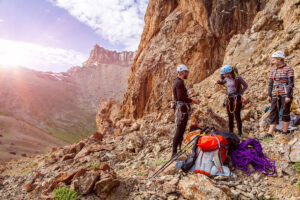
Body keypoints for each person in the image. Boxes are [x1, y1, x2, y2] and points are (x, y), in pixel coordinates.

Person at [263, 51, 294, 138]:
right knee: (273, 112)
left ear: (279, 59)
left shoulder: (289, 69)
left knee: (285, 112)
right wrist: (269, 95)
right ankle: (269, 133)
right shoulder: (273, 71)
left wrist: (288, 96)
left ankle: (284, 132)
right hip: (275, 94)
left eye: (274, 60)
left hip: (285, 94)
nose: (272, 62)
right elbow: (270, 84)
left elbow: (291, 84)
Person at [172, 64, 200, 158]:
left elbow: (182, 95)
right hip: (182, 109)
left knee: (182, 129)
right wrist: (193, 101)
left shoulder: (179, 81)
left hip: (181, 108)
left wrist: (189, 93)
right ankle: (174, 153)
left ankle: (179, 149)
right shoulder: (179, 82)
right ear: (183, 72)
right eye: (186, 72)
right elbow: (181, 97)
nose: (187, 73)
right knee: (179, 130)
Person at [216, 65, 248, 136]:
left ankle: (240, 133)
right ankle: (231, 133)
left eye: (224, 73)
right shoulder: (226, 78)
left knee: (237, 116)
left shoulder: (237, 78)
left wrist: (240, 93)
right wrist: (219, 82)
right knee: (230, 116)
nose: (223, 75)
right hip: (229, 98)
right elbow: (223, 82)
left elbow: (245, 85)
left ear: (228, 72)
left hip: (236, 98)